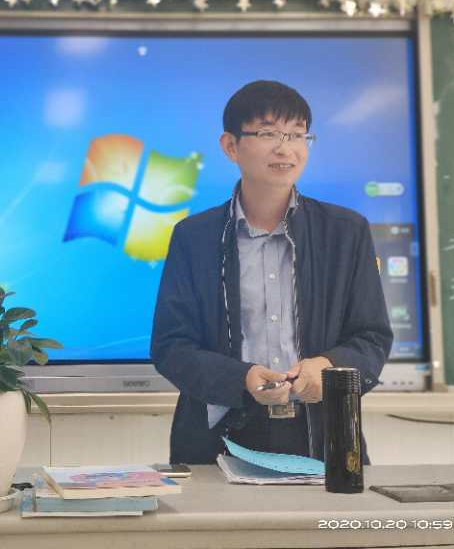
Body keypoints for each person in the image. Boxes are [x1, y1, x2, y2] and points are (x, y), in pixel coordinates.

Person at [150, 80, 392, 464]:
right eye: (268, 134)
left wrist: (328, 368)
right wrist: (241, 378)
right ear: (230, 146)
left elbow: (372, 337)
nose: (285, 148)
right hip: (217, 435)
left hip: (324, 435)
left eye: (297, 135)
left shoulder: (346, 231)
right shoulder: (194, 237)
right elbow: (171, 346)